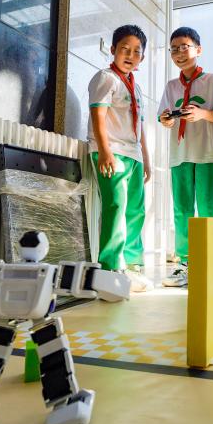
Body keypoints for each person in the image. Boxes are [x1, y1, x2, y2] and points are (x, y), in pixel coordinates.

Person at [158, 27, 213, 287]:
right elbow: (164, 117)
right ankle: (185, 263)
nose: (179, 53)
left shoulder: (212, 80)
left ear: (198, 49)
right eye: (174, 49)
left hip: (208, 154)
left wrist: (201, 114)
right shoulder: (171, 86)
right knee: (182, 210)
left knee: (208, 209)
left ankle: (211, 261)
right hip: (180, 155)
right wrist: (166, 120)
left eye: (184, 47)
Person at [87, 25, 153, 292]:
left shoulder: (136, 87)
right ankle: (111, 267)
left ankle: (132, 266)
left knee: (135, 210)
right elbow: (98, 115)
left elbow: (140, 126)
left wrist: (146, 159)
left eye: (136, 51)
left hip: (133, 155)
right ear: (113, 49)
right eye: (125, 49)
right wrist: (104, 151)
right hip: (112, 152)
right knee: (115, 206)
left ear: (142, 58)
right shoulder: (105, 78)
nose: (130, 55)